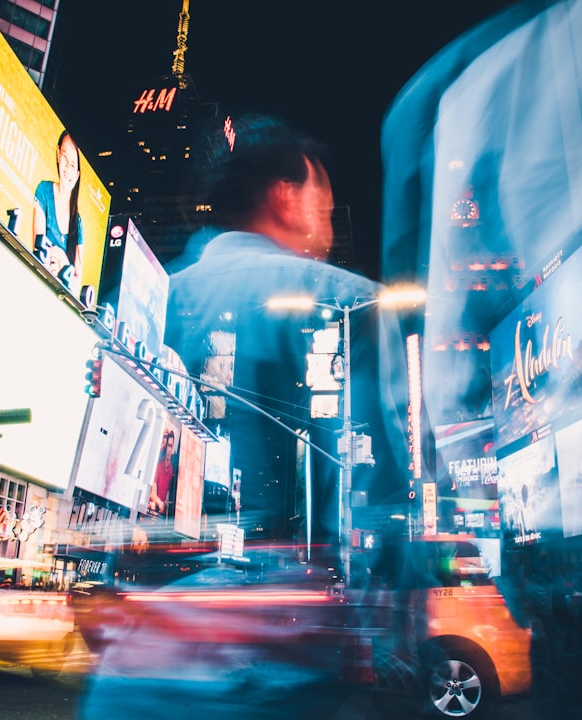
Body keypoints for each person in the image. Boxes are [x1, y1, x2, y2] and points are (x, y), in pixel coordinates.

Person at [164, 112, 412, 543]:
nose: (329, 228)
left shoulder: (154, 294)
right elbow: (379, 479)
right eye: (324, 209)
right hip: (307, 589)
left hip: (156, 580)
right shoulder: (353, 303)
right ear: (285, 197)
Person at [32, 129, 84, 297]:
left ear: (77, 175)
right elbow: (38, 248)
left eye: (73, 164)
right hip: (38, 282)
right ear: (57, 155)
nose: (67, 168)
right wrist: (63, 263)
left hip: (60, 297)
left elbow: (76, 282)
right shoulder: (44, 191)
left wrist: (61, 256)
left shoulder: (77, 223)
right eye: (64, 158)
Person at [148, 428, 176, 514]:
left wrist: (164, 505)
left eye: (170, 446)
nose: (169, 449)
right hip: (151, 508)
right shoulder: (158, 465)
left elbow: (166, 495)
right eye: (167, 445)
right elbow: (152, 494)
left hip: (160, 512)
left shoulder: (171, 469)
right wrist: (160, 503)